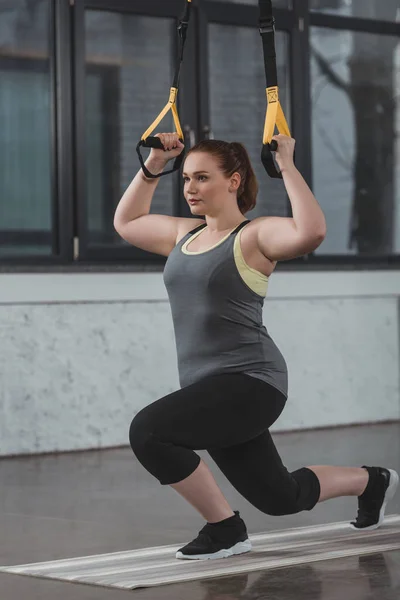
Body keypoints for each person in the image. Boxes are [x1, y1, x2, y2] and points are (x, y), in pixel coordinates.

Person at [113, 132, 399, 561]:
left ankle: (225, 529)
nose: (190, 187)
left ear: (234, 181)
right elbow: (127, 222)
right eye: (187, 178)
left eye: (203, 177)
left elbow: (312, 231)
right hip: (209, 388)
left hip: (251, 382)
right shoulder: (183, 235)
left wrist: (286, 163)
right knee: (280, 497)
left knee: (148, 432)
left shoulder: (255, 236)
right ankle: (372, 482)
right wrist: (154, 164)